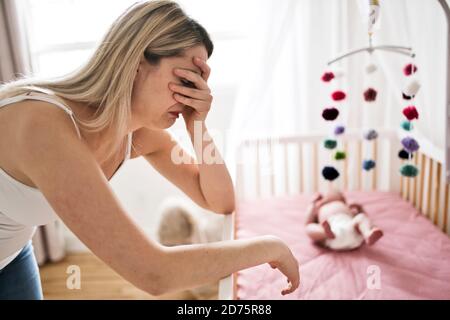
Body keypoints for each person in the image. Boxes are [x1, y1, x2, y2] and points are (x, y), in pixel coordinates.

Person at [0, 0, 299, 299]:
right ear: (136, 64)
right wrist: (269, 247)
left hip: (12, 253)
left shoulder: (136, 134)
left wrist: (197, 125)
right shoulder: (45, 126)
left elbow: (219, 200)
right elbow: (154, 273)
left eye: (197, 85)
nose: (191, 96)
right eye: (184, 80)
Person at [305, 190, 383, 251]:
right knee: (309, 228)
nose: (323, 197)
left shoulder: (346, 206)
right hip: (331, 234)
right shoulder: (318, 208)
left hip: (352, 229)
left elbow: (366, 217)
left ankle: (367, 234)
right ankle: (325, 233)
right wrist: (312, 204)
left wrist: (360, 209)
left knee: (361, 217)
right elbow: (308, 222)